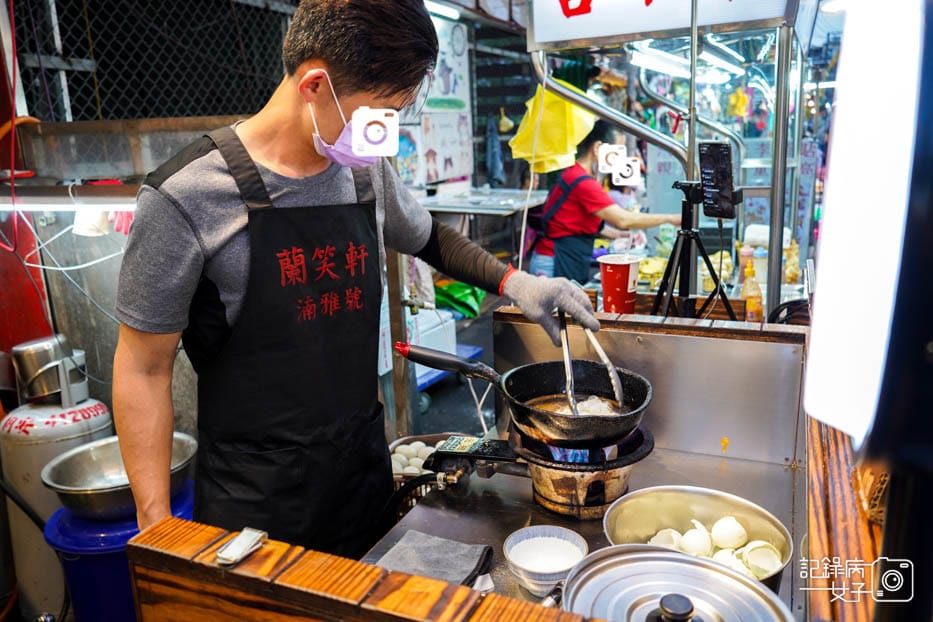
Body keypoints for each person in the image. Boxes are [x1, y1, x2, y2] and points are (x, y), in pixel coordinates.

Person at [112, 0, 598, 560]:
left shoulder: (364, 171)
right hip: (256, 509)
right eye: (380, 112)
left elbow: (429, 237)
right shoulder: (187, 197)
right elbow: (143, 367)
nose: (385, 134)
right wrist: (154, 525)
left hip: (361, 478)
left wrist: (516, 284)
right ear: (315, 84)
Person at [529, 120, 680, 283]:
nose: (619, 159)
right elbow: (623, 219)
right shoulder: (582, 182)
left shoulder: (575, 174)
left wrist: (618, 235)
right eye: (616, 152)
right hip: (554, 262)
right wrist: (670, 219)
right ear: (597, 148)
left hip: (562, 257)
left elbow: (579, 222)